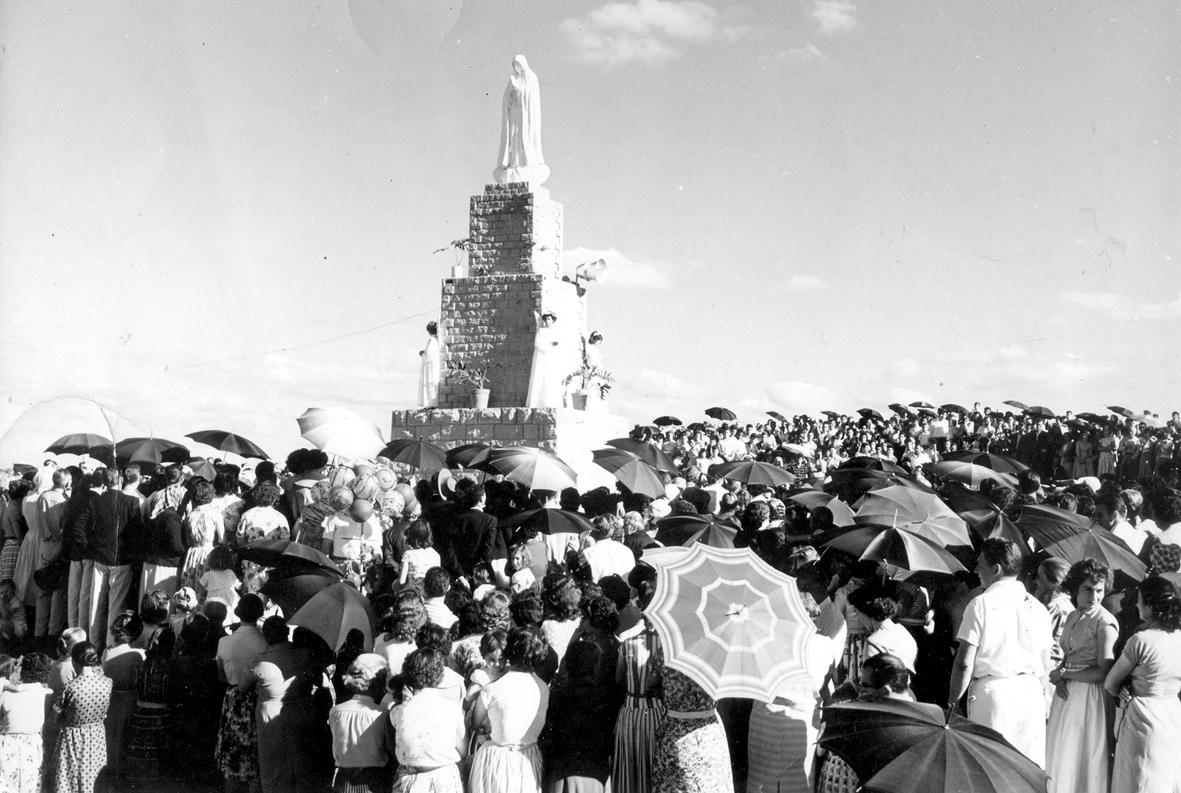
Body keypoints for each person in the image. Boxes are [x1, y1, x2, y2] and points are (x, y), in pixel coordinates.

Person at [948, 538, 1052, 767]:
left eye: (980, 565)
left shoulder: (980, 604)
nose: (975, 570)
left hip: (994, 699)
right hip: (1030, 696)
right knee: (1026, 770)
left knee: (990, 768)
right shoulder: (1038, 608)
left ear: (996, 569)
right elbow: (1046, 665)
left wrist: (953, 705)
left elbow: (964, 663)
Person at [1045, 559, 1118, 793]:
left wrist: (1065, 673)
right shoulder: (1074, 616)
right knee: (1064, 754)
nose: (1094, 596)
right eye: (1088, 589)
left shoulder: (1104, 622)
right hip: (1068, 693)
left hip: (1090, 697)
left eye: (1099, 591)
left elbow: (1104, 671)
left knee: (1081, 756)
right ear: (1076, 588)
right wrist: (1059, 675)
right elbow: (1068, 656)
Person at [1104, 575, 1181, 793]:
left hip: (1143, 716)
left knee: (1137, 778)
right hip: (1172, 714)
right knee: (1165, 777)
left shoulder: (1141, 640)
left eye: (1139, 599)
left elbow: (1110, 683)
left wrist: (1125, 690)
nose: (1137, 604)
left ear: (1150, 605)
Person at [468, 626, 550, 793]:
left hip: (497, 761)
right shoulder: (543, 688)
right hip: (529, 758)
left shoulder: (492, 689)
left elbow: (474, 724)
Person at [651, 637, 734, 793]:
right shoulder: (719, 652)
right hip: (708, 732)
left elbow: (650, 681)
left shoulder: (667, 650)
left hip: (674, 731)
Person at [611, 566, 665, 793]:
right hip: (656, 713)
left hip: (629, 712)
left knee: (629, 770)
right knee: (654, 769)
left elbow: (618, 679)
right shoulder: (667, 645)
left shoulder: (626, 640)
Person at [250, 616, 317, 793]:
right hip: (302, 710)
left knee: (273, 766)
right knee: (299, 764)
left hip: (271, 715)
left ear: (266, 636)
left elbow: (243, 684)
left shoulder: (261, 659)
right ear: (286, 632)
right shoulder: (305, 654)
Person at [540, 640, 615, 793]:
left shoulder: (558, 695)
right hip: (593, 773)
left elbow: (549, 734)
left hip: (563, 771)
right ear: (596, 666)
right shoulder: (604, 697)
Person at [389, 648, 466, 793]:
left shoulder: (398, 712)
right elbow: (462, 750)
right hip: (444, 778)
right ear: (439, 674)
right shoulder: (452, 709)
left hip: (411, 779)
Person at [215, 594, 268, 793]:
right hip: (257, 698)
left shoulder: (224, 642)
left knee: (232, 755)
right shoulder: (264, 643)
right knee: (254, 756)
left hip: (232, 698)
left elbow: (221, 676)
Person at [328, 653, 392, 793]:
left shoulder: (335, 712)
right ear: (374, 682)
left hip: (343, 779)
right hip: (373, 781)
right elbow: (389, 749)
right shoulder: (381, 714)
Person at [54, 641, 113, 793]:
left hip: (72, 736)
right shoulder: (107, 683)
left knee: (70, 775)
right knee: (92, 773)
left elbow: (56, 716)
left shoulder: (69, 687)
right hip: (97, 735)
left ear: (74, 661)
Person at [122, 626, 175, 782]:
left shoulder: (143, 662)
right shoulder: (168, 666)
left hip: (140, 713)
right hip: (160, 716)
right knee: (158, 761)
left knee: (141, 758)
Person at [0, 651, 53, 793]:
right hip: (32, 745)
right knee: (29, 786)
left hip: (7, 745)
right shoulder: (46, 694)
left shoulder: (6, 693)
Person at [100, 610, 145, 777]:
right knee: (125, 734)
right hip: (129, 698)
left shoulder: (108, 650)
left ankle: (111, 767)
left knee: (111, 734)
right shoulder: (138, 655)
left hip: (112, 698)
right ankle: (122, 769)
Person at [497, 54, 545, 172]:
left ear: (523, 66)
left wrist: (518, 89)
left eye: (518, 66)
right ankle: (513, 162)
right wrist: (512, 89)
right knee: (514, 138)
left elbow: (531, 97)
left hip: (526, 115)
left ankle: (525, 162)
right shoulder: (513, 79)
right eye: (514, 66)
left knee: (524, 138)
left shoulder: (531, 78)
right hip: (514, 113)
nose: (516, 69)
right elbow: (506, 98)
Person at [181, 480, 226, 594]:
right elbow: (222, 539)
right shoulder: (215, 513)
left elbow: (186, 538)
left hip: (192, 554)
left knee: (190, 588)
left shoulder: (190, 515)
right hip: (208, 553)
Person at [526, 312, 565, 408]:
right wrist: (549, 344)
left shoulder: (556, 331)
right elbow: (537, 343)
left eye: (549, 319)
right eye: (546, 319)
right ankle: (537, 402)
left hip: (551, 358)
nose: (547, 321)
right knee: (540, 377)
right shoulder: (541, 331)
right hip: (542, 357)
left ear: (553, 321)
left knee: (550, 378)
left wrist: (555, 344)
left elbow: (558, 344)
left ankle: (550, 402)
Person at [418, 321, 442, 409]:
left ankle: (430, 404)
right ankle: (431, 403)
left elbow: (428, 354)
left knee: (429, 383)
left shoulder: (432, 340)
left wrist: (422, 353)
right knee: (432, 383)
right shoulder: (437, 340)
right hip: (434, 365)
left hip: (430, 366)